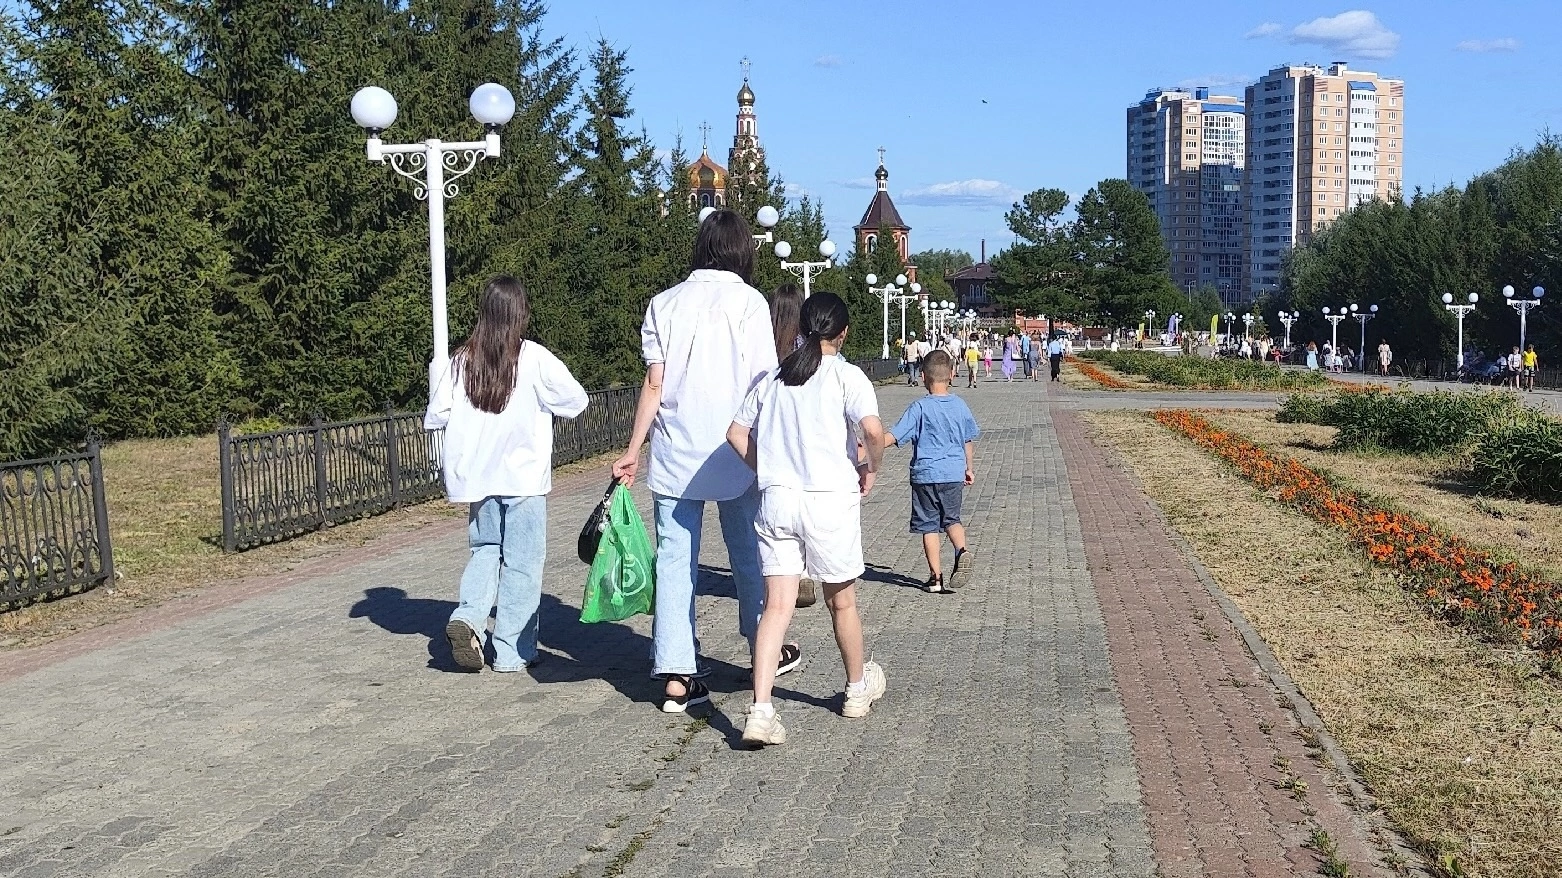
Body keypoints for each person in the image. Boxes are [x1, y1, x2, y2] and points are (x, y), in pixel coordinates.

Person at [611, 209, 786, 714]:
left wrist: (633, 449)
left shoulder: (663, 303)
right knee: (749, 554)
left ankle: (676, 672)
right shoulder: (750, 303)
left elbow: (654, 384)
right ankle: (762, 648)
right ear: (742, 250)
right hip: (736, 451)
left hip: (675, 453)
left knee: (673, 560)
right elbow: (764, 384)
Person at [727, 293, 887, 747]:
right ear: (844, 332)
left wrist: (766, 469)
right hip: (829, 502)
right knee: (842, 602)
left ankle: (761, 710)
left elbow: (736, 433)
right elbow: (872, 431)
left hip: (778, 501)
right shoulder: (847, 376)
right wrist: (870, 467)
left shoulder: (775, 377)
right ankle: (856, 688)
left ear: (801, 328)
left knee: (776, 607)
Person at [427, 276, 589, 673]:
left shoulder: (462, 360)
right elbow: (576, 400)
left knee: (485, 550)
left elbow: (438, 415)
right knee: (523, 563)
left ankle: (469, 617)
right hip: (524, 479)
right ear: (520, 313)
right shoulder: (533, 357)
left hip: (478, 479)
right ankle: (513, 652)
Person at [884, 349, 979, 594]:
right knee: (952, 519)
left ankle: (936, 578)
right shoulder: (960, 406)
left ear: (923, 376)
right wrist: (969, 468)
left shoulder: (919, 408)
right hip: (953, 473)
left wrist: (871, 444)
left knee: (929, 526)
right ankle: (961, 551)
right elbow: (967, 439)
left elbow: (895, 435)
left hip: (925, 475)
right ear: (952, 375)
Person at [768, 284, 818, 610]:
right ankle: (805, 573)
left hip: (774, 439)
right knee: (806, 505)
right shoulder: (808, 346)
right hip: (807, 436)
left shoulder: (765, 347)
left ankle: (781, 574)